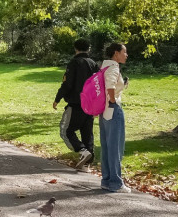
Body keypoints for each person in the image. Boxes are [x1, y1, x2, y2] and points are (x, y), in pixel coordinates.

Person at [52, 38, 97, 170]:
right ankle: (87, 165)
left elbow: (68, 84)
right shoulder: (93, 64)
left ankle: (82, 151)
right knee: (87, 134)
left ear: (75, 48)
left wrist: (57, 98)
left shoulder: (74, 63)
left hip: (76, 103)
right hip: (90, 106)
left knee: (67, 130)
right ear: (89, 49)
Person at [99, 43, 130, 192]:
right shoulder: (113, 67)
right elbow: (110, 86)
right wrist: (112, 101)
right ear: (116, 53)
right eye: (124, 52)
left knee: (106, 146)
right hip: (113, 109)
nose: (126, 55)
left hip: (103, 111)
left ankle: (106, 180)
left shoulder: (104, 66)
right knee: (115, 147)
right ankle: (116, 183)